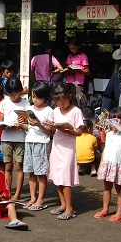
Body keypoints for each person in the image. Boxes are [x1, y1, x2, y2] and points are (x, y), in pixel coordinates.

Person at [47, 84, 84, 220]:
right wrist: (47, 125)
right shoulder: (56, 111)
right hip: (56, 145)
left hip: (68, 148)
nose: (61, 104)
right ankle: (62, 204)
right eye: (58, 101)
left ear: (70, 97)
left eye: (63, 101)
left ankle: (70, 208)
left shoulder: (76, 111)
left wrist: (68, 129)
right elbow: (52, 130)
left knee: (65, 177)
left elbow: (79, 132)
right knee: (57, 176)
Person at [20, 81, 54, 211]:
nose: (35, 100)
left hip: (41, 142)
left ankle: (41, 199)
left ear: (45, 97)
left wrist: (39, 124)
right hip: (29, 141)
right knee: (31, 172)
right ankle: (33, 197)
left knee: (41, 172)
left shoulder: (49, 111)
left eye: (38, 97)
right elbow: (27, 127)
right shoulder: (29, 109)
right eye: (33, 97)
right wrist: (22, 123)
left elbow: (51, 131)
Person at [94, 107, 121, 222]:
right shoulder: (109, 134)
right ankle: (105, 209)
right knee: (107, 188)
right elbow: (105, 151)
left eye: (114, 121)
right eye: (110, 121)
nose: (111, 124)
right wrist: (100, 166)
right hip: (107, 164)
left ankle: (120, 212)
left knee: (119, 189)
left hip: (119, 166)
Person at [0, 77, 29, 200]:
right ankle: (7, 192)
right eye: (10, 94)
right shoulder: (4, 102)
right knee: (8, 166)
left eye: (15, 93)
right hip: (6, 137)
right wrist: (3, 125)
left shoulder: (25, 103)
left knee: (19, 166)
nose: (13, 96)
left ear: (20, 91)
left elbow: (30, 121)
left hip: (20, 138)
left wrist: (23, 122)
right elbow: (1, 121)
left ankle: (17, 194)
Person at [63, 38, 90, 104]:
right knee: (69, 101)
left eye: (74, 48)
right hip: (68, 82)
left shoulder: (83, 56)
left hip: (78, 83)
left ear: (78, 46)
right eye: (70, 49)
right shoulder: (69, 56)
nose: (72, 50)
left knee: (77, 102)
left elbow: (87, 72)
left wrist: (78, 70)